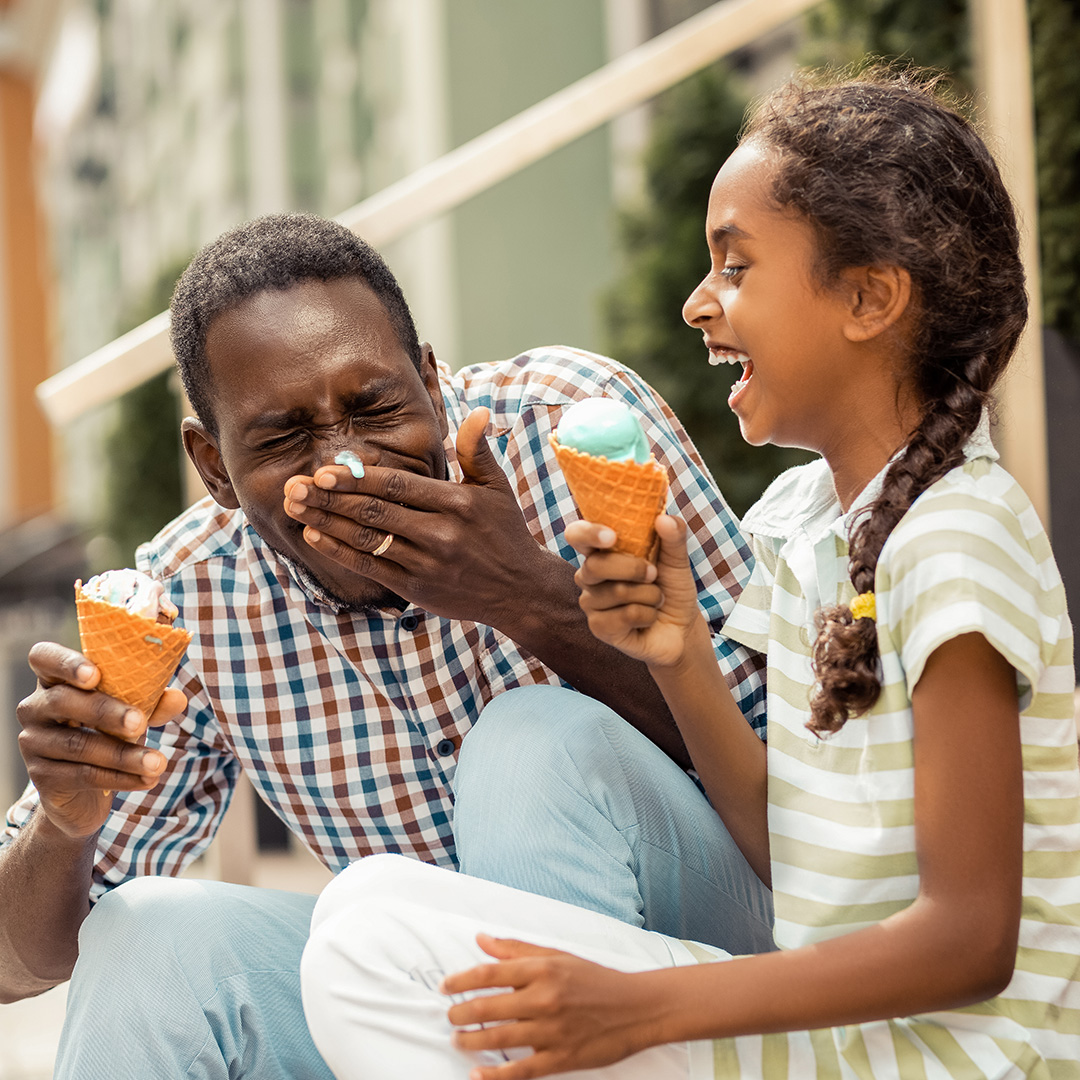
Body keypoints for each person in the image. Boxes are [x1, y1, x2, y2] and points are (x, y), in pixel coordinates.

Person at [299, 69, 1080, 1080]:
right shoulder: (806, 523)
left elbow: (969, 942)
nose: (697, 302)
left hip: (936, 1063)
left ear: (869, 297)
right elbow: (792, 857)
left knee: (371, 955)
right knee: (362, 907)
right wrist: (679, 656)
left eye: (736, 266)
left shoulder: (959, 538)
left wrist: (638, 1010)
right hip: (836, 1044)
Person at [0, 214, 770, 1079]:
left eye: (375, 408)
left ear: (432, 384)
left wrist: (527, 598)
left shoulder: (570, 428)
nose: (345, 465)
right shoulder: (192, 596)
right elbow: (13, 966)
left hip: (712, 962)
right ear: (213, 465)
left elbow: (796, 779)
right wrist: (63, 824)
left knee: (529, 742)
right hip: (429, 1010)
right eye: (283, 438)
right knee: (150, 938)